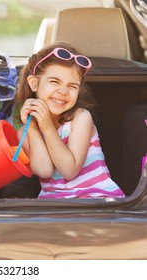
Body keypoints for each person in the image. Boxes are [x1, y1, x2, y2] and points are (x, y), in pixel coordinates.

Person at [15, 41, 125, 199]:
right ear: (34, 83)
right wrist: (32, 129)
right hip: (56, 207)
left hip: (96, 200)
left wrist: (47, 127)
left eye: (72, 86)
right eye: (54, 81)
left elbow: (69, 170)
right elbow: (45, 170)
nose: (63, 91)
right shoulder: (25, 132)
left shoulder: (80, 118)